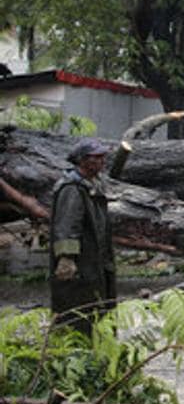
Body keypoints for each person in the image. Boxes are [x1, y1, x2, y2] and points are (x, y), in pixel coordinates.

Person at [49, 138, 115, 335]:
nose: (103, 160)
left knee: (98, 310)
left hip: (96, 261)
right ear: (82, 160)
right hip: (81, 265)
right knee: (78, 315)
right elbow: (67, 224)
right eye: (97, 157)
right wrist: (66, 258)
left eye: (103, 156)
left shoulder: (90, 185)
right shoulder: (71, 189)